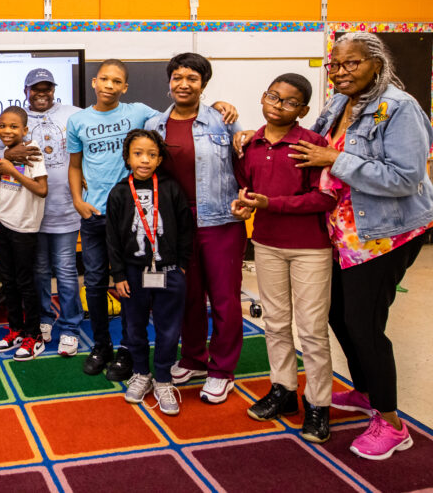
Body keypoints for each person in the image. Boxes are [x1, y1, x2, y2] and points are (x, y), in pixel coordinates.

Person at [292, 32, 433, 460]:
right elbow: (311, 146)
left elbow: (405, 177)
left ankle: (391, 423)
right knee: (337, 314)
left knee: (364, 324)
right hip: (343, 231)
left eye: (351, 64)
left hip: (385, 235)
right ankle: (367, 390)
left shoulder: (400, 107)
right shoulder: (339, 103)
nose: (340, 72)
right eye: (335, 65)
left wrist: (335, 161)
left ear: (377, 63)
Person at [231, 73, 337, 443]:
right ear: (263, 97)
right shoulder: (251, 144)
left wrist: (270, 204)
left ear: (304, 110)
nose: (278, 105)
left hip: (311, 248)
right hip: (266, 244)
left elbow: (326, 198)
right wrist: (244, 206)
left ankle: (319, 405)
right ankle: (283, 391)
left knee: (311, 330)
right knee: (275, 322)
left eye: (289, 102)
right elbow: (247, 189)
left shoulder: (313, 144)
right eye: (273, 97)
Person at [145, 52, 245, 404]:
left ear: (203, 83)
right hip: (175, 225)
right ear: (169, 82)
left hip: (220, 222)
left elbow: (242, 166)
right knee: (184, 295)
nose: (183, 84)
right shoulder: (156, 124)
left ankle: (222, 370)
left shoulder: (223, 120)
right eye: (177, 77)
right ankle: (193, 358)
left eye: (192, 78)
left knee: (224, 299)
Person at [0, 68, 84, 356]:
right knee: (35, 274)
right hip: (27, 218)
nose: (41, 93)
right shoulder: (13, 123)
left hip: (63, 208)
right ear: (25, 91)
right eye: (35, 88)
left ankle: (71, 328)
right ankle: (42, 323)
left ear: (54, 89)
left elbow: (90, 144)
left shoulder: (74, 113)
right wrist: (4, 156)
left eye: (46, 88)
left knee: (65, 272)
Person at [107, 129, 193, 416]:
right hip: (132, 273)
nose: (145, 160)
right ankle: (142, 373)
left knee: (169, 329)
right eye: (138, 154)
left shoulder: (170, 188)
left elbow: (184, 227)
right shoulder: (119, 192)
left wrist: (181, 263)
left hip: (169, 270)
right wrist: (118, 274)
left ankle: (164, 379)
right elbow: (112, 239)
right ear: (127, 157)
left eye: (152, 155)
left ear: (160, 159)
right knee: (134, 326)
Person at [0, 106, 48, 361]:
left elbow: (42, 190)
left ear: (24, 130)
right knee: (8, 282)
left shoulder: (32, 153)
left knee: (25, 283)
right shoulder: (4, 155)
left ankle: (35, 335)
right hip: (3, 222)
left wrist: (12, 171)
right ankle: (15, 330)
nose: (6, 131)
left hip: (24, 227)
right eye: (2, 126)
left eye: (13, 127)